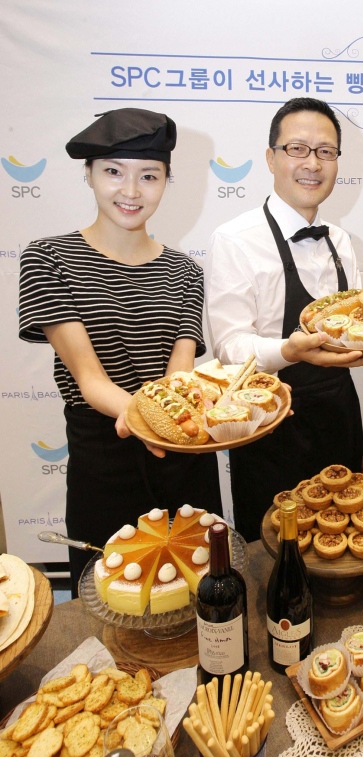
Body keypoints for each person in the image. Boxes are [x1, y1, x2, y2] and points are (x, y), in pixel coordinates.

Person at [19, 108, 222, 595]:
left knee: (199, 594)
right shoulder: (48, 258)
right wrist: (148, 420)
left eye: (148, 176)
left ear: (166, 182)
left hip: (182, 456)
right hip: (104, 460)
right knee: (109, 600)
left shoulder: (185, 272)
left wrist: (186, 422)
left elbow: (179, 379)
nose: (131, 191)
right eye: (114, 172)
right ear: (88, 174)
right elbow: (89, 380)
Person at [205, 97, 363, 542]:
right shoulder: (234, 239)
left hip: (338, 416)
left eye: (326, 151)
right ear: (270, 158)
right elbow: (228, 347)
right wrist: (287, 350)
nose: (312, 164)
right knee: (274, 555)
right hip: (267, 422)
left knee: (345, 536)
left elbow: (353, 321)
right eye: (297, 149)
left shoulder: (341, 240)